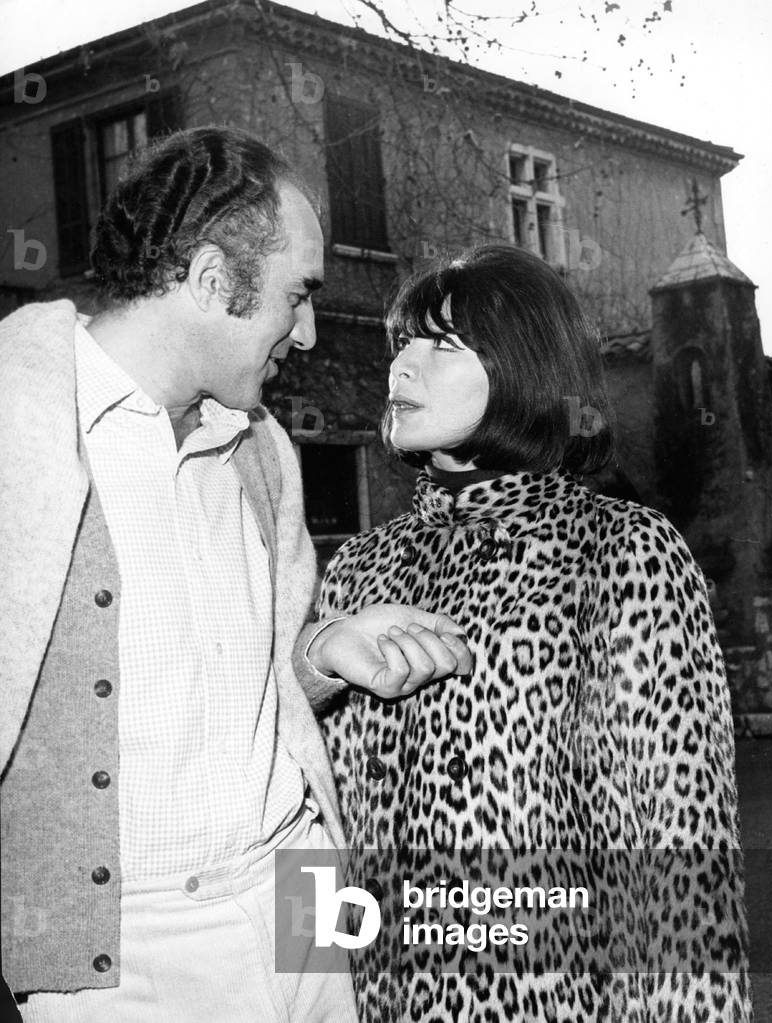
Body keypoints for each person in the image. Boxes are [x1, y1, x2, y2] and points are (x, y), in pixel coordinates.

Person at [0, 126, 471, 1023]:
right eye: (297, 296)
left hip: (302, 883)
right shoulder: (18, 425)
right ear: (214, 281)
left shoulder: (262, 452)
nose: (305, 332)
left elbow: (238, 697)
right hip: (125, 956)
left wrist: (323, 654)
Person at [317, 245, 752, 1021]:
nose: (399, 370)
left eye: (441, 345)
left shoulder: (620, 551)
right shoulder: (356, 569)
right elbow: (316, 828)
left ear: (524, 368)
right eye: (400, 344)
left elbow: (679, 862)